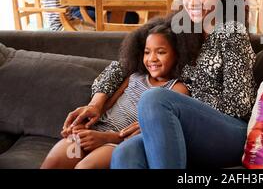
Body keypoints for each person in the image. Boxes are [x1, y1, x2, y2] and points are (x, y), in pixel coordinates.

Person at [63, 0, 256, 168]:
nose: (193, 2)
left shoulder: (232, 35)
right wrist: (96, 104)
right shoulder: (179, 27)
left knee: (154, 99)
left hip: (229, 133)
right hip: (182, 125)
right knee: (124, 154)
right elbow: (124, 65)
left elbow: (239, 106)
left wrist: (166, 115)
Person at [40, 17, 190, 169]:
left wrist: (107, 138)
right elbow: (107, 106)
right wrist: (84, 124)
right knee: (54, 162)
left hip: (119, 141)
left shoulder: (177, 89)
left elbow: (158, 128)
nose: (152, 59)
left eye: (161, 52)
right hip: (96, 131)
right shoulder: (134, 76)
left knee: (85, 167)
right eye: (147, 52)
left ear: (178, 55)